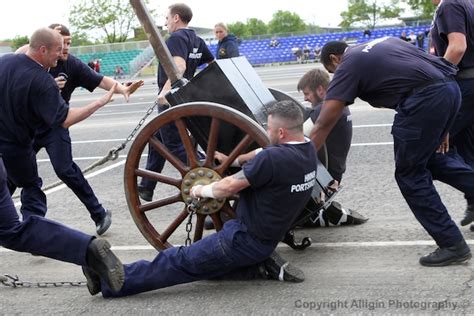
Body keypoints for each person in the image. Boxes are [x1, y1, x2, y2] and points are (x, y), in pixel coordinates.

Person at [83, 100, 317, 297]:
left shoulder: (273, 160)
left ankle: (112, 283)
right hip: (265, 240)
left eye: (269, 129)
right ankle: (259, 267)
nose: (267, 133)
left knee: (178, 261)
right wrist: (234, 161)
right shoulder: (308, 150)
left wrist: (200, 190)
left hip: (242, 239)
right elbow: (262, 152)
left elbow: (229, 186)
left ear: (281, 133)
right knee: (205, 267)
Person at [311, 38, 473, 266]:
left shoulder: (348, 63)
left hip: (423, 102)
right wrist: (443, 124)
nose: (335, 76)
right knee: (433, 161)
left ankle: (452, 244)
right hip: (449, 90)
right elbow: (441, 67)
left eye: (332, 72)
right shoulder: (386, 43)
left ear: (334, 59)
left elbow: (323, 124)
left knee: (410, 175)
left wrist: (302, 162)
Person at [0, 27, 124, 293]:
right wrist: (98, 104)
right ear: (42, 49)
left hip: (11, 151)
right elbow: (65, 118)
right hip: (16, 150)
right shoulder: (42, 81)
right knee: (29, 193)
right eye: (58, 49)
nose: (62, 55)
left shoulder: (4, 62)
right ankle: (76, 244)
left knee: (30, 192)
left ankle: (69, 240)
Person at [14, 24, 144, 235]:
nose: (65, 48)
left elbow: (100, 80)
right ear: (46, 46)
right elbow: (18, 61)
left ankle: (99, 213)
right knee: (13, 172)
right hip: (28, 126)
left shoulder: (71, 64)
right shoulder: (31, 59)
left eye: (68, 43)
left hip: (56, 125)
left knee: (65, 169)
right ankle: (20, 223)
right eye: (61, 43)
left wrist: (122, 89)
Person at [138, 3, 214, 201]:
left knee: (174, 145)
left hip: (172, 98)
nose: (165, 22)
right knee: (157, 140)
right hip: (185, 96)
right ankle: (146, 187)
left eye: (166, 18)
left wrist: (164, 94)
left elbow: (178, 66)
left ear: (176, 18)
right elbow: (212, 65)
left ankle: (207, 174)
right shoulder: (197, 39)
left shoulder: (176, 38)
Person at [297, 68, 367, 227]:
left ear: (320, 90)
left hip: (324, 176)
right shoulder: (340, 104)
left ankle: (320, 216)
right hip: (335, 172)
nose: (306, 98)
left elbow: (296, 138)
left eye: (307, 94)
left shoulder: (323, 109)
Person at [431, 0, 474, 232]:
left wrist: (437, 80)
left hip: (464, 84)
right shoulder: (466, 2)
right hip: (470, 84)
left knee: (434, 148)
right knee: (467, 149)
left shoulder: (450, 5)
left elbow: (457, 47)